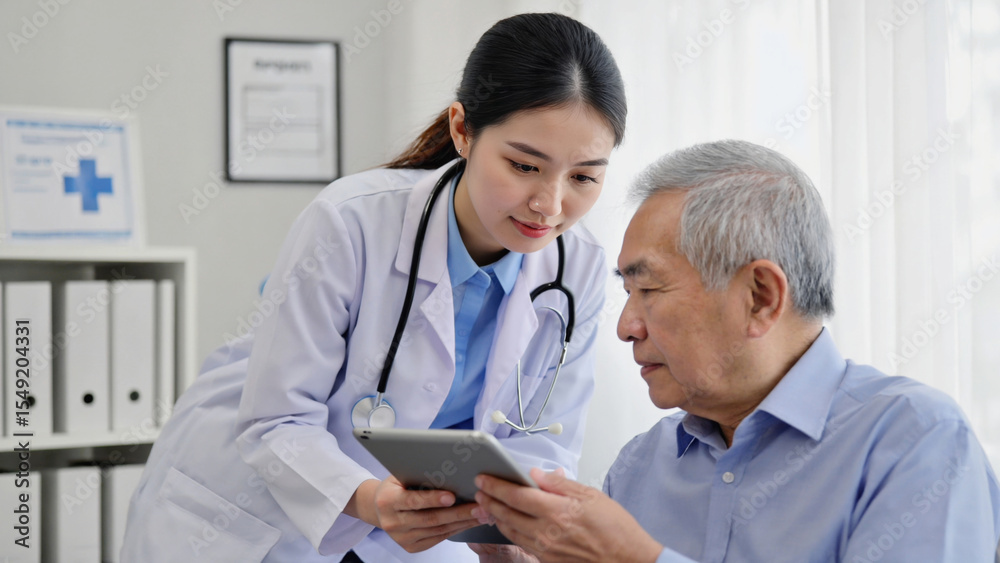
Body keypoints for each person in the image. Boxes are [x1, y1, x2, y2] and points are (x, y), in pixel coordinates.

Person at [121, 12, 626, 563]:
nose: (550, 205)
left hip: (405, 525)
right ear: (463, 130)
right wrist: (367, 499)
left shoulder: (576, 270)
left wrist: (511, 529)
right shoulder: (351, 222)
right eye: (525, 166)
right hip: (250, 506)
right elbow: (277, 418)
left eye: (583, 177)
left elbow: (540, 440)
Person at [471, 140, 1000, 562]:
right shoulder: (641, 465)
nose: (626, 328)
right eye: (626, 294)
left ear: (760, 298)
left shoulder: (915, 439)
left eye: (650, 290)